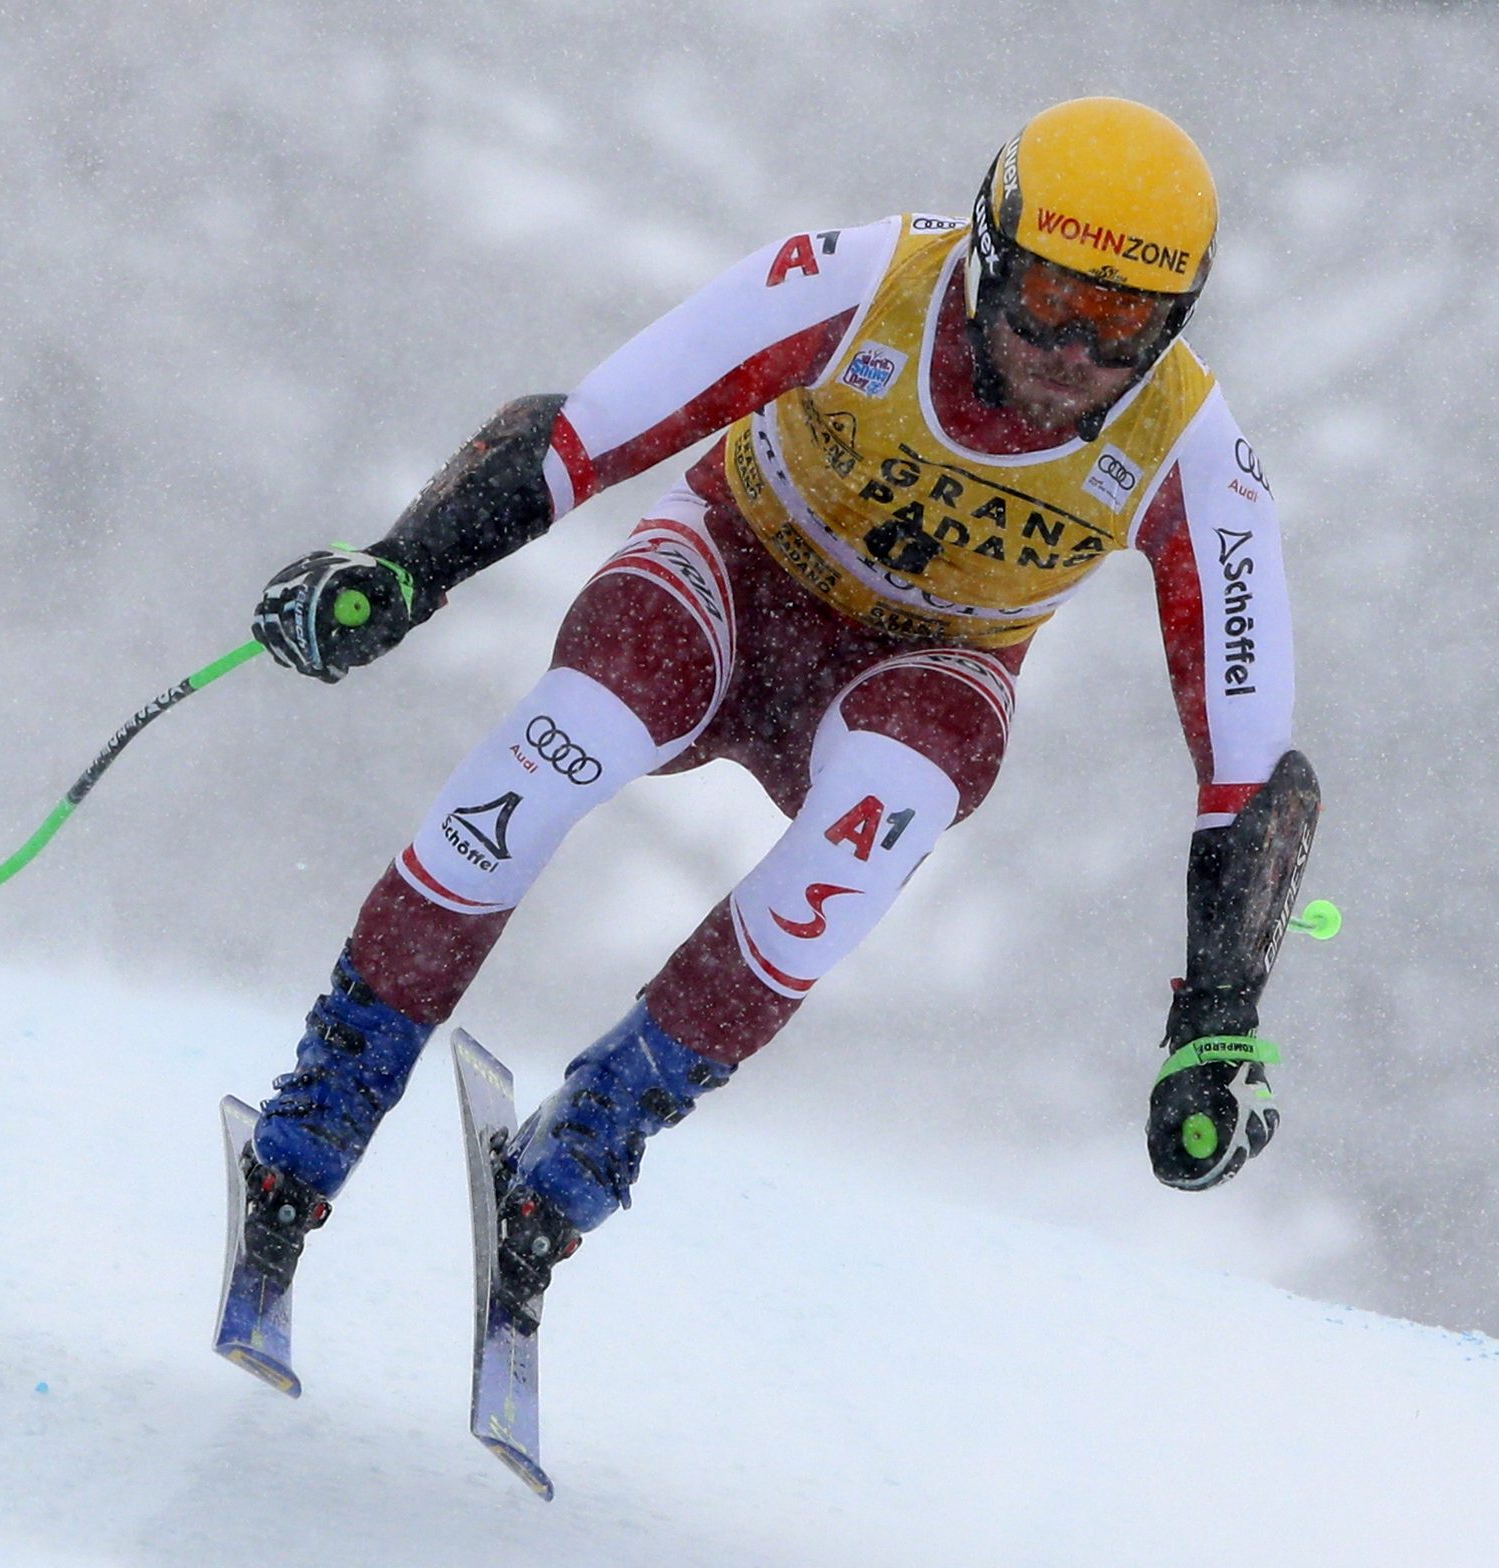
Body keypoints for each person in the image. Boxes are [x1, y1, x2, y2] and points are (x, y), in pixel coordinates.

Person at [239, 97, 1311, 1323]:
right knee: (567, 741)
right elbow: (585, 430)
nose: (1074, 354)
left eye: (1125, 324)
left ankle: (588, 1143)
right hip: (730, 582)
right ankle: (327, 1100)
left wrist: (1216, 1019)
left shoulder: (1192, 444)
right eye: (1056, 298)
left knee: (883, 815)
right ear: (989, 247)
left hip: (921, 665)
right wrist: (401, 566)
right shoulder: (860, 283)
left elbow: (1248, 751)